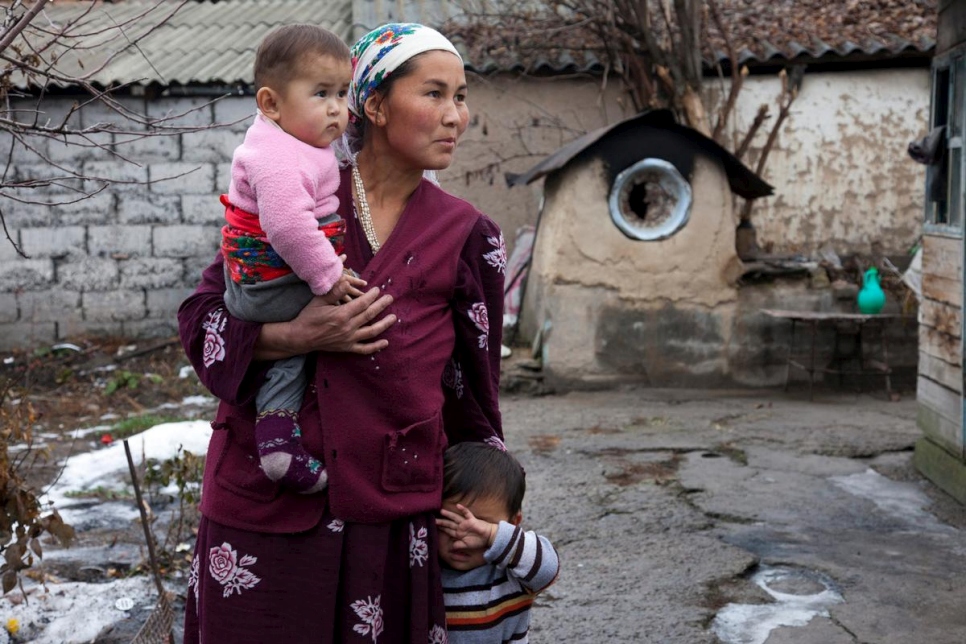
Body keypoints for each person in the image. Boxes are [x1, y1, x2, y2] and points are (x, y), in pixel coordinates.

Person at [178, 22, 505, 643]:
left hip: (391, 514)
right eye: (434, 94)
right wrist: (297, 336)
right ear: (373, 105)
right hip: (265, 509)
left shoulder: (466, 236)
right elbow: (203, 322)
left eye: (461, 97)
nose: (455, 116)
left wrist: (489, 510)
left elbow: (475, 396)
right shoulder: (296, 201)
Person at [221, 24, 365, 495]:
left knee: (291, 357)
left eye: (342, 93)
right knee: (351, 309)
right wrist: (329, 278)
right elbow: (286, 227)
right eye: (320, 93)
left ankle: (277, 441)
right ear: (271, 104)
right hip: (272, 285)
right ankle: (280, 439)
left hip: (263, 282)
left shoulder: (297, 140)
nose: (336, 108)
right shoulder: (278, 156)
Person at [437, 442, 559, 643]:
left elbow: (548, 569)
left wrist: (492, 535)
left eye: (480, 526)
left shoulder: (512, 573)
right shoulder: (423, 571)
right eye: (450, 521)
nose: (461, 536)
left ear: (512, 523)